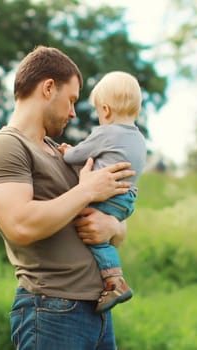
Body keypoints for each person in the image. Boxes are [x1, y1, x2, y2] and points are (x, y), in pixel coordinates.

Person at [0, 45, 135, 349]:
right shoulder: (6, 147)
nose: (74, 112)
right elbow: (20, 225)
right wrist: (87, 189)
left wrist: (113, 228)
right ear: (48, 88)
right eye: (71, 99)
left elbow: (111, 226)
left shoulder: (61, 153)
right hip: (52, 312)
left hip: (96, 312)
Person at [58, 71, 146, 313]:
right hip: (126, 200)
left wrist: (66, 151)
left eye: (98, 112)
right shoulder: (139, 139)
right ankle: (112, 279)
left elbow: (76, 155)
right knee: (103, 233)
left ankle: (115, 282)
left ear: (105, 110)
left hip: (108, 197)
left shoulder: (107, 132)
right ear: (136, 111)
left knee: (89, 227)